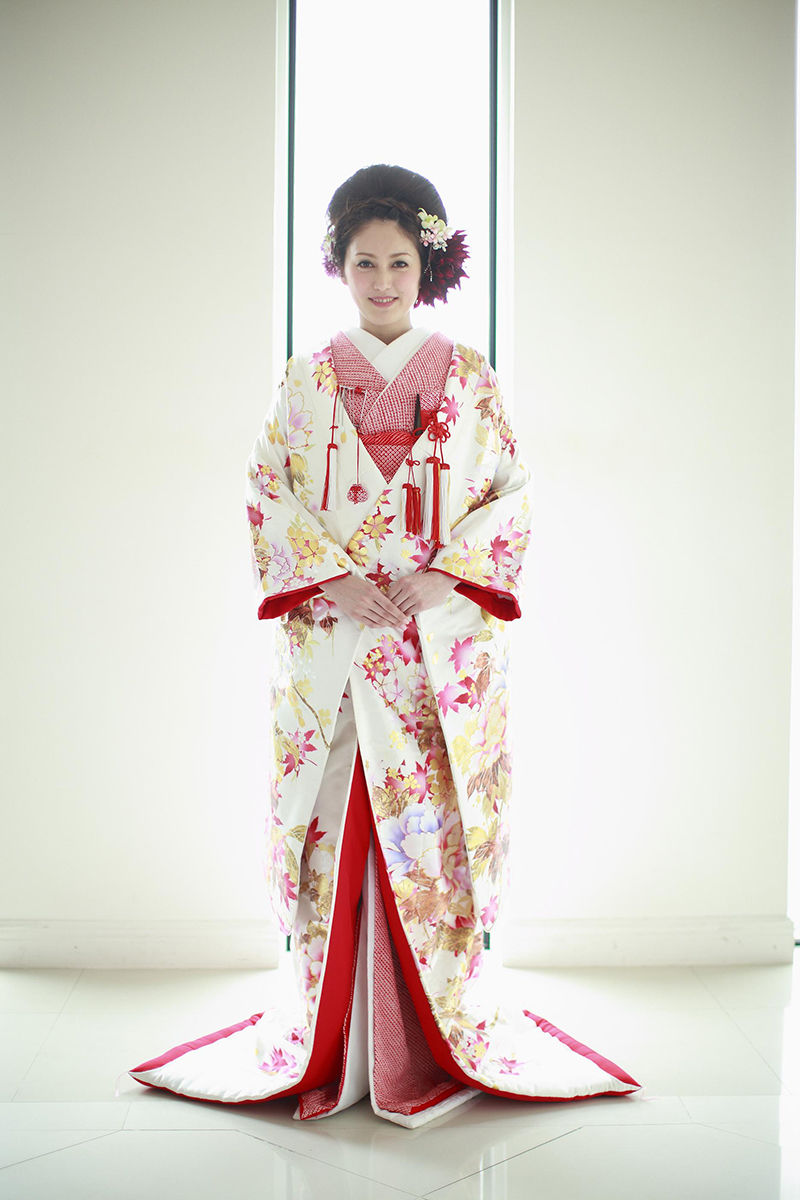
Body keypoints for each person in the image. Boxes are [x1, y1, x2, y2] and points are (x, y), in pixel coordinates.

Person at [129, 165, 640, 1126]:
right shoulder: (306, 379)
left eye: (399, 262)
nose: (381, 281)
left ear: (427, 267)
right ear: (340, 266)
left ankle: (431, 1037)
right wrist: (333, 577)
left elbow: (512, 492)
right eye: (364, 262)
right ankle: (332, 1039)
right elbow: (267, 487)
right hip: (341, 631)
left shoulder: (469, 376)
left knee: (431, 828)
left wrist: (445, 576)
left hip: (432, 643)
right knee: (341, 819)